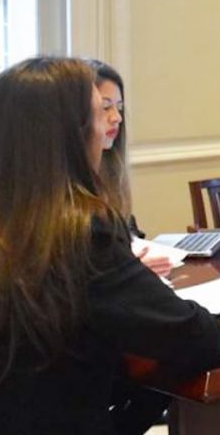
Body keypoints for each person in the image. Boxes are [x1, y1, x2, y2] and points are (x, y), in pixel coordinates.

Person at [0, 57, 220, 435]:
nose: (110, 124)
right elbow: (199, 338)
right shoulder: (81, 231)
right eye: (101, 112)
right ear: (72, 135)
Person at [88, 59, 171, 278]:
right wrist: (129, 269)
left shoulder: (109, 171)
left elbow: (130, 232)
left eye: (119, 107)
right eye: (105, 107)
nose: (117, 118)